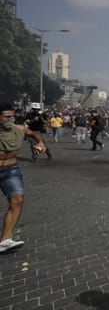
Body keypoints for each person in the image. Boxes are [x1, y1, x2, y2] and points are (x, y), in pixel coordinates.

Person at [0, 103, 47, 253]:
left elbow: (34, 134)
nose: (10, 119)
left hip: (10, 169)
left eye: (12, 116)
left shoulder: (18, 129)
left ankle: (5, 240)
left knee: (17, 200)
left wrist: (40, 143)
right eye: (7, 116)